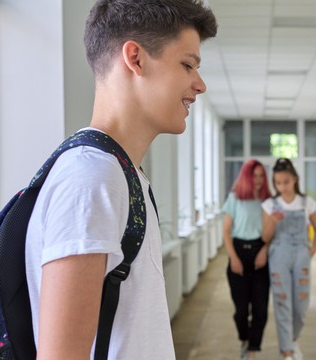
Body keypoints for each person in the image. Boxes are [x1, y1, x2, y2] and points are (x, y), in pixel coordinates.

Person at [24, 1, 217, 358]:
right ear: (136, 58)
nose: (200, 84)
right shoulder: (93, 178)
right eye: (187, 64)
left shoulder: (120, 173)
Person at [262, 158, 316, 360]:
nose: (282, 187)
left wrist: (311, 251)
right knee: (282, 302)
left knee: (301, 305)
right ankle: (287, 351)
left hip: (301, 256)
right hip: (278, 254)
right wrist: (271, 221)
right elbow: (265, 237)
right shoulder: (270, 204)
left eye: (286, 182)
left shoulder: (307, 203)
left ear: (295, 179)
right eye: (278, 183)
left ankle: (293, 340)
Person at [223, 159, 273, 360]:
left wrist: (265, 250)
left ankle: (252, 350)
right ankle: (244, 339)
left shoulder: (268, 200)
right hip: (238, 252)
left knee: (260, 309)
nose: (259, 179)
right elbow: (226, 232)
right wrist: (233, 258)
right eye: (255, 175)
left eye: (262, 175)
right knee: (241, 310)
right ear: (247, 176)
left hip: (260, 251)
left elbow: (272, 231)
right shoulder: (235, 198)